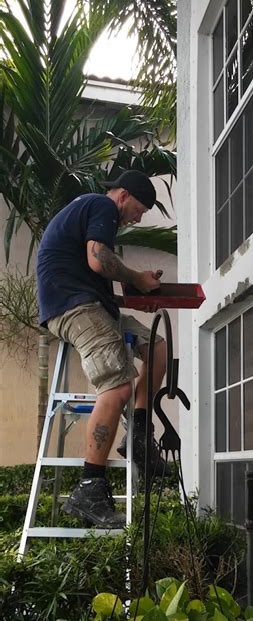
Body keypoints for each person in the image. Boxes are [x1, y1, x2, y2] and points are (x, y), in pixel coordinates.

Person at [36, 170, 169, 528]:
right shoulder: (101, 205)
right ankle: (89, 488)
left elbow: (95, 268)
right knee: (118, 385)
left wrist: (137, 296)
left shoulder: (89, 211)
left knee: (156, 345)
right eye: (139, 210)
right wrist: (139, 278)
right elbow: (98, 259)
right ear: (123, 195)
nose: (138, 219)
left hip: (94, 303)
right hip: (74, 306)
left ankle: (139, 433)